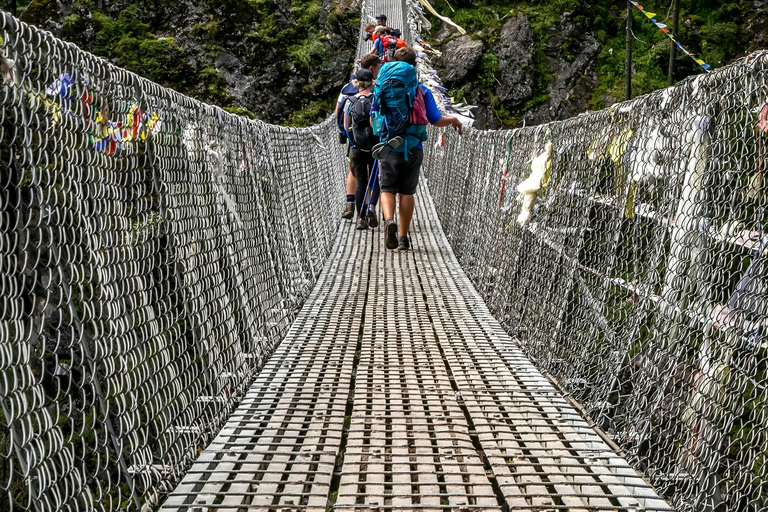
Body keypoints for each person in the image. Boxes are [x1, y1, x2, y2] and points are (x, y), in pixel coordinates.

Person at [377, 47, 463, 251]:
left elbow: (376, 116)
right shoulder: (422, 91)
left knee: (387, 189)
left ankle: (389, 220)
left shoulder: (383, 86)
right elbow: (435, 119)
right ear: (415, 67)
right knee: (407, 192)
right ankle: (403, 237)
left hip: (389, 146)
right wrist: (453, 119)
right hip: (414, 147)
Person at [337, 54, 382, 219]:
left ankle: (360, 217)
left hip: (357, 146)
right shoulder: (377, 98)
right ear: (372, 81)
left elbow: (344, 124)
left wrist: (347, 137)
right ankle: (371, 207)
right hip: (375, 146)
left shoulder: (349, 99)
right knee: (375, 179)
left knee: (361, 181)